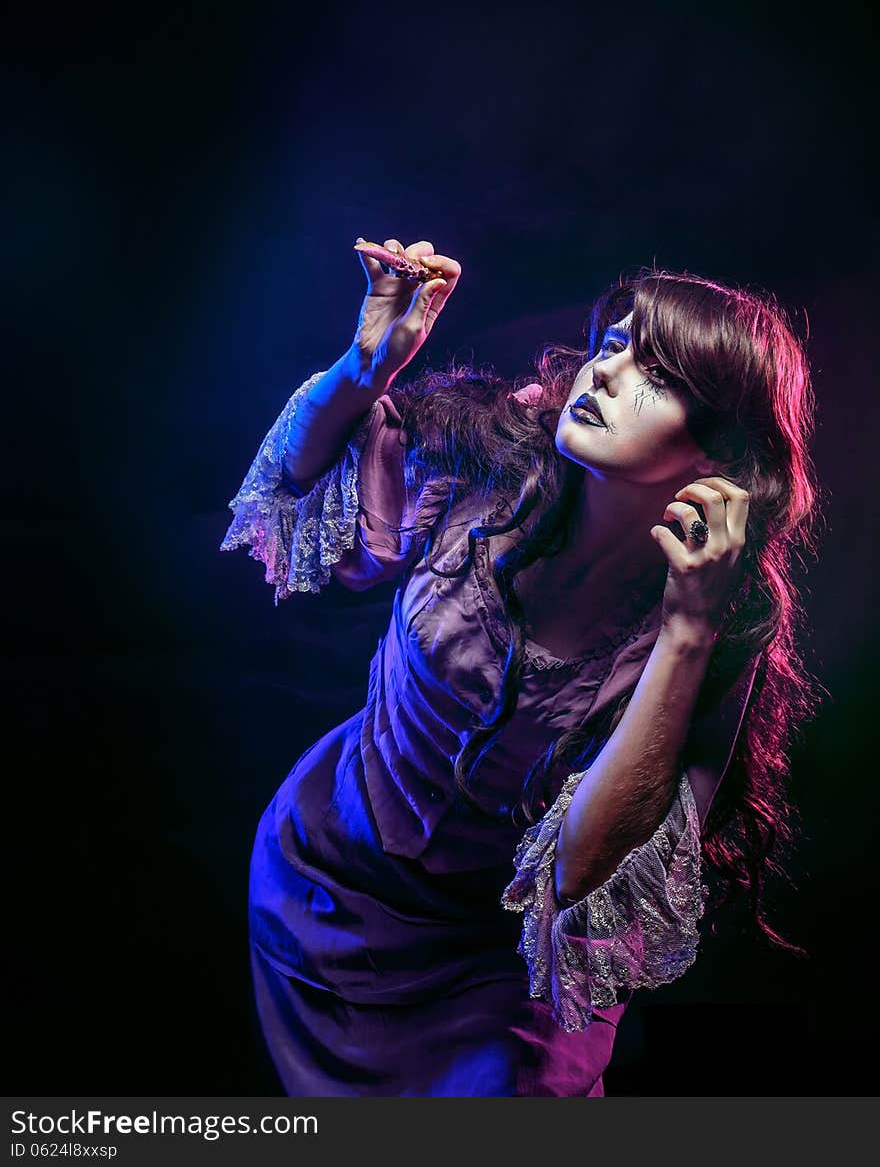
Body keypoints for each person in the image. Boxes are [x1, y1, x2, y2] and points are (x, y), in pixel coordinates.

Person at [220, 240, 821, 1096]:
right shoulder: (486, 457)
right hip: (322, 883)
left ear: (721, 457)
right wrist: (363, 370)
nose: (607, 374)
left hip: (495, 968)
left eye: (658, 374)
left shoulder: (723, 621)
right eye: (612, 345)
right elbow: (296, 517)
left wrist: (687, 633)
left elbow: (582, 870)